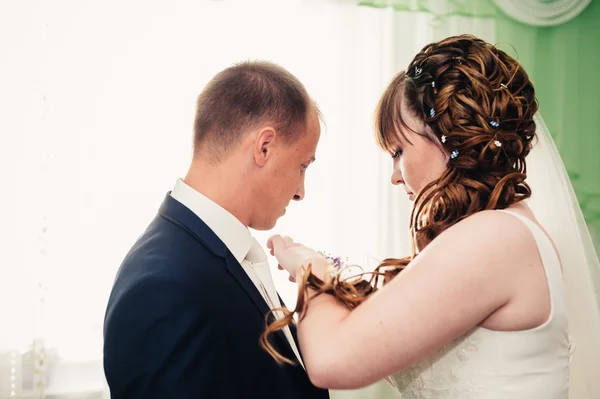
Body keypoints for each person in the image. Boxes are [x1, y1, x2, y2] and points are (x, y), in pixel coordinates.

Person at [263, 35, 600, 398]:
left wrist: (311, 269)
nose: (394, 175)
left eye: (398, 151)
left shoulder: (495, 237)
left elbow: (332, 361)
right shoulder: (497, 231)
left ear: (449, 138)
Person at [103, 61, 329, 399]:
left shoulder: (209, 253)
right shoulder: (164, 287)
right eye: (302, 166)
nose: (300, 192)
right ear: (264, 147)